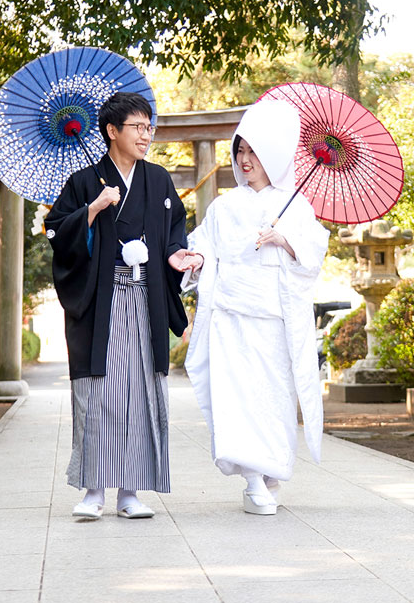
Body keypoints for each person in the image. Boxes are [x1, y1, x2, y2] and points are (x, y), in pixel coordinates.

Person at [45, 91, 196, 520]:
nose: (147, 135)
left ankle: (130, 492)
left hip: (145, 296)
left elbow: (173, 233)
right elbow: (57, 232)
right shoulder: (82, 182)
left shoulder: (159, 180)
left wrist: (175, 256)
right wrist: (92, 208)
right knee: (99, 393)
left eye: (150, 127)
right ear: (112, 131)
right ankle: (94, 491)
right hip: (100, 300)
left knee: (141, 392)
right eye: (138, 127)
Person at [182, 99, 329, 515]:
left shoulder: (296, 206)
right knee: (240, 398)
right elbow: (204, 247)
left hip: (274, 319)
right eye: (240, 150)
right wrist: (196, 260)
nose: (245, 160)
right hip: (232, 316)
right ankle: (251, 478)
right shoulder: (225, 207)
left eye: (254, 152)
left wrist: (285, 240)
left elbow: (314, 252)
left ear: (274, 156)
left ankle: (269, 473)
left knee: (275, 399)